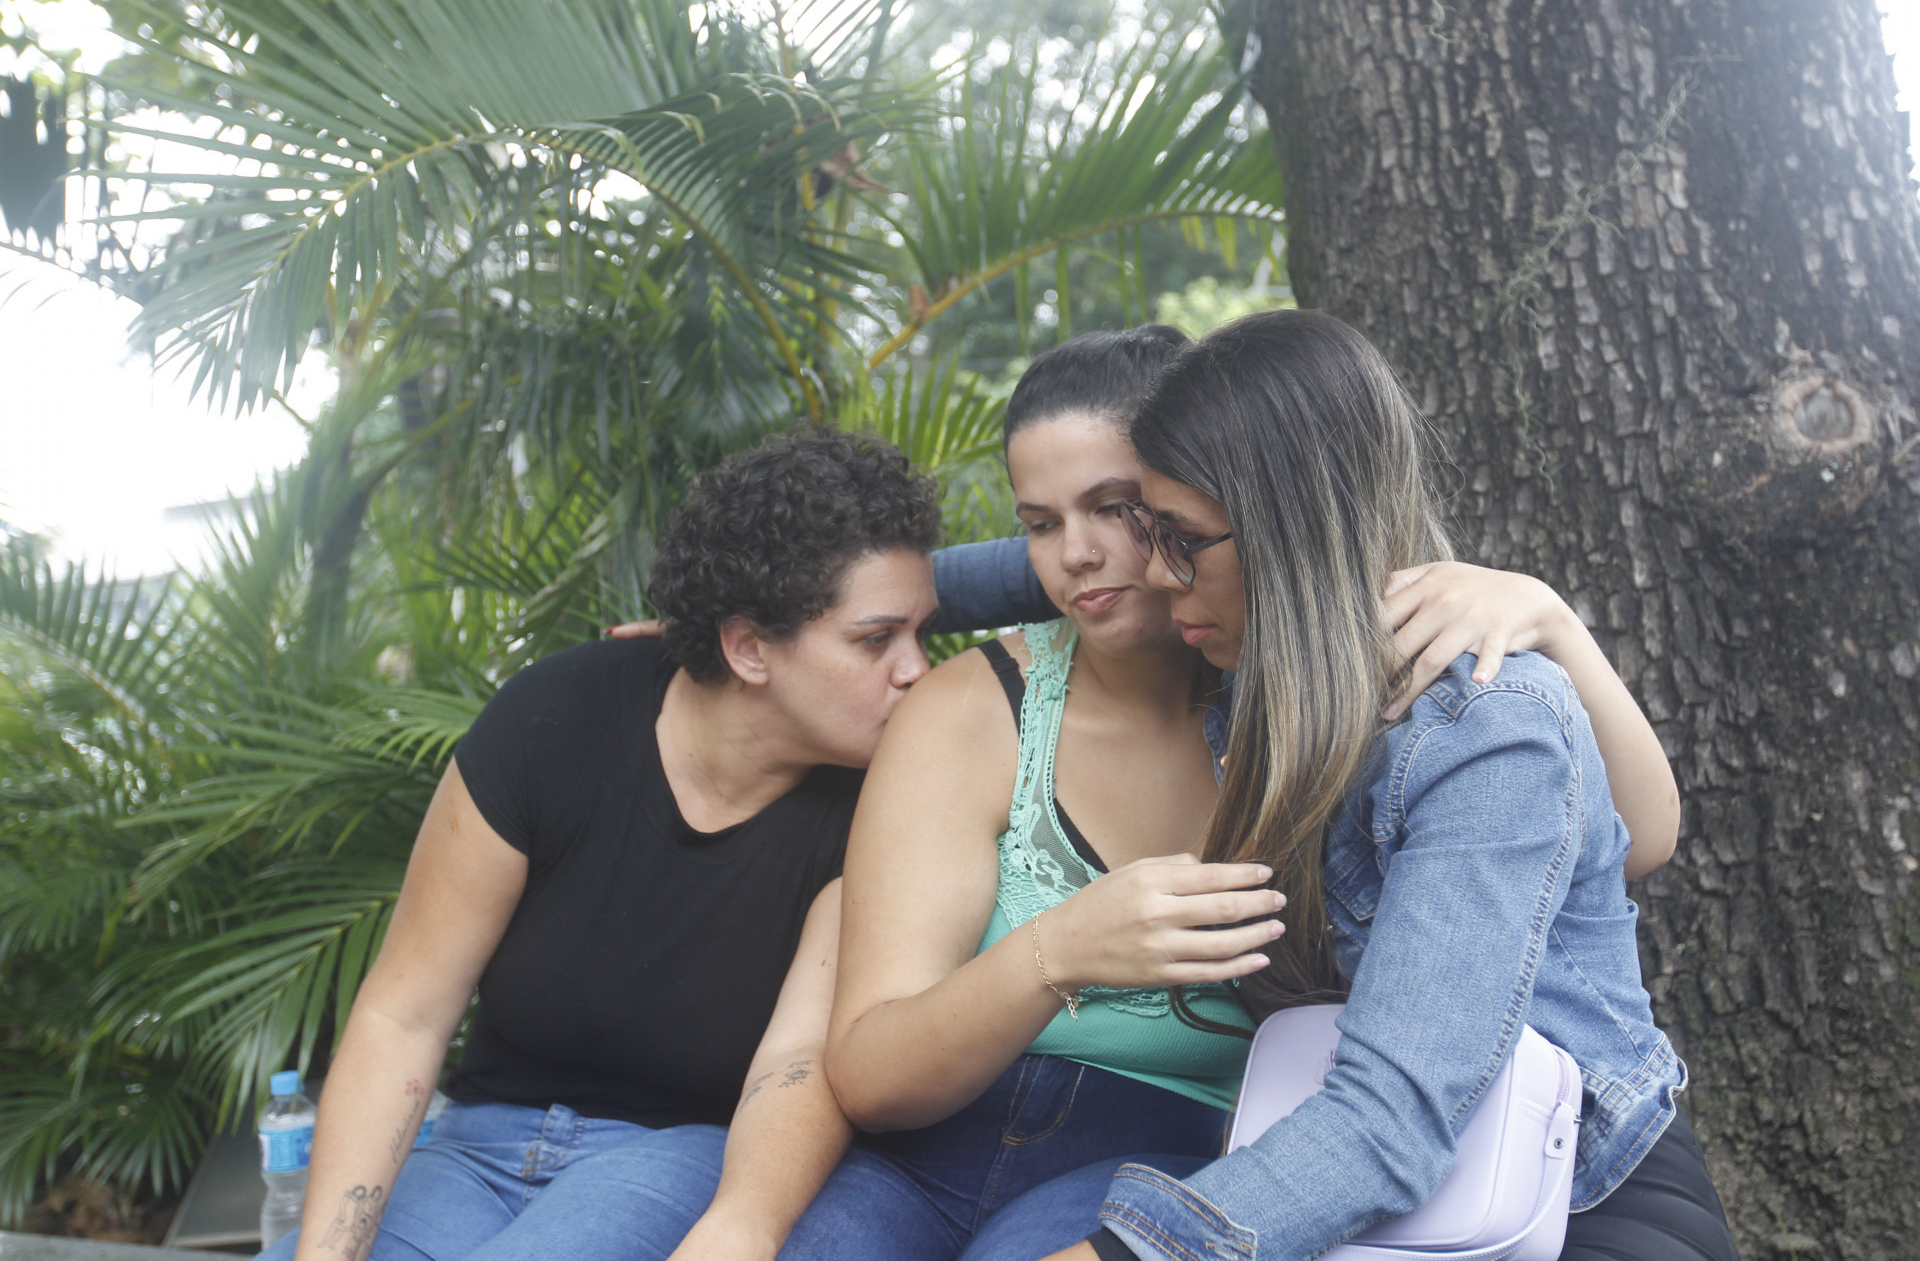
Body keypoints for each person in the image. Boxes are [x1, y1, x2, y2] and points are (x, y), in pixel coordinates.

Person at [802, 325, 1681, 1261]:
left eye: (1137, 520)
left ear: (1266, 521)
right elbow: (1012, 570)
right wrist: (784, 613)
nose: (1108, 560)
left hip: (1560, 1193)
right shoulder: (1224, 660)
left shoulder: (1444, 716)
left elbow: (1391, 1115)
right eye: (1041, 524)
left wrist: (1550, 618)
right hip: (1371, 1192)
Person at [261, 429, 944, 1261]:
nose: (918, 670)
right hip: (474, 1148)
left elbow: (797, 1061)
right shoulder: (554, 718)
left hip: (676, 1157)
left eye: (922, 632)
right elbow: (402, 1016)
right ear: (747, 647)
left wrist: (743, 1226)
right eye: (877, 640)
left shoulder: (877, 803)